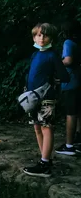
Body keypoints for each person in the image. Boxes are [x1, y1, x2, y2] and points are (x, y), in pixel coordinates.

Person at [21, 23, 69, 177]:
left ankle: (45, 163)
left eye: (45, 35)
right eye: (38, 35)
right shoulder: (36, 54)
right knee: (37, 127)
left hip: (46, 98)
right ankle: (44, 158)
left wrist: (53, 81)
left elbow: (64, 76)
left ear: (51, 38)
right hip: (33, 98)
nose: (41, 38)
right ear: (34, 37)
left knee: (46, 127)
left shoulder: (52, 55)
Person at [55, 21, 81, 155]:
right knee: (78, 112)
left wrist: (56, 62)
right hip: (78, 80)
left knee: (71, 114)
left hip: (70, 82)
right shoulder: (77, 43)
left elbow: (68, 60)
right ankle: (78, 138)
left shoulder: (68, 43)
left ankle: (69, 145)